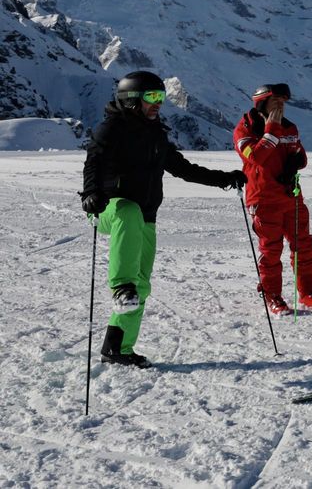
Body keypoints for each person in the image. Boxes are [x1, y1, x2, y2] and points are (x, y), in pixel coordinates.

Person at [80, 71, 247, 368]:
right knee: (128, 221)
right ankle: (121, 286)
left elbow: (184, 169)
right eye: (152, 97)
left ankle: (117, 348)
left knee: (141, 286)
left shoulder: (156, 135)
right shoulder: (111, 129)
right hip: (110, 210)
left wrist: (224, 179)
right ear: (131, 100)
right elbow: (94, 161)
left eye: (161, 97)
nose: (159, 103)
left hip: (146, 217)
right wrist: (91, 194)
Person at [233, 83, 312, 314]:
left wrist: (295, 162)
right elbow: (256, 156)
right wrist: (272, 129)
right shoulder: (245, 129)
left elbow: (301, 155)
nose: (280, 107)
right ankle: (272, 295)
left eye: (283, 103)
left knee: (303, 245)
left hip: (291, 197)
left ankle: (307, 292)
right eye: (275, 102)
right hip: (263, 200)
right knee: (271, 250)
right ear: (262, 103)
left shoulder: (289, 127)